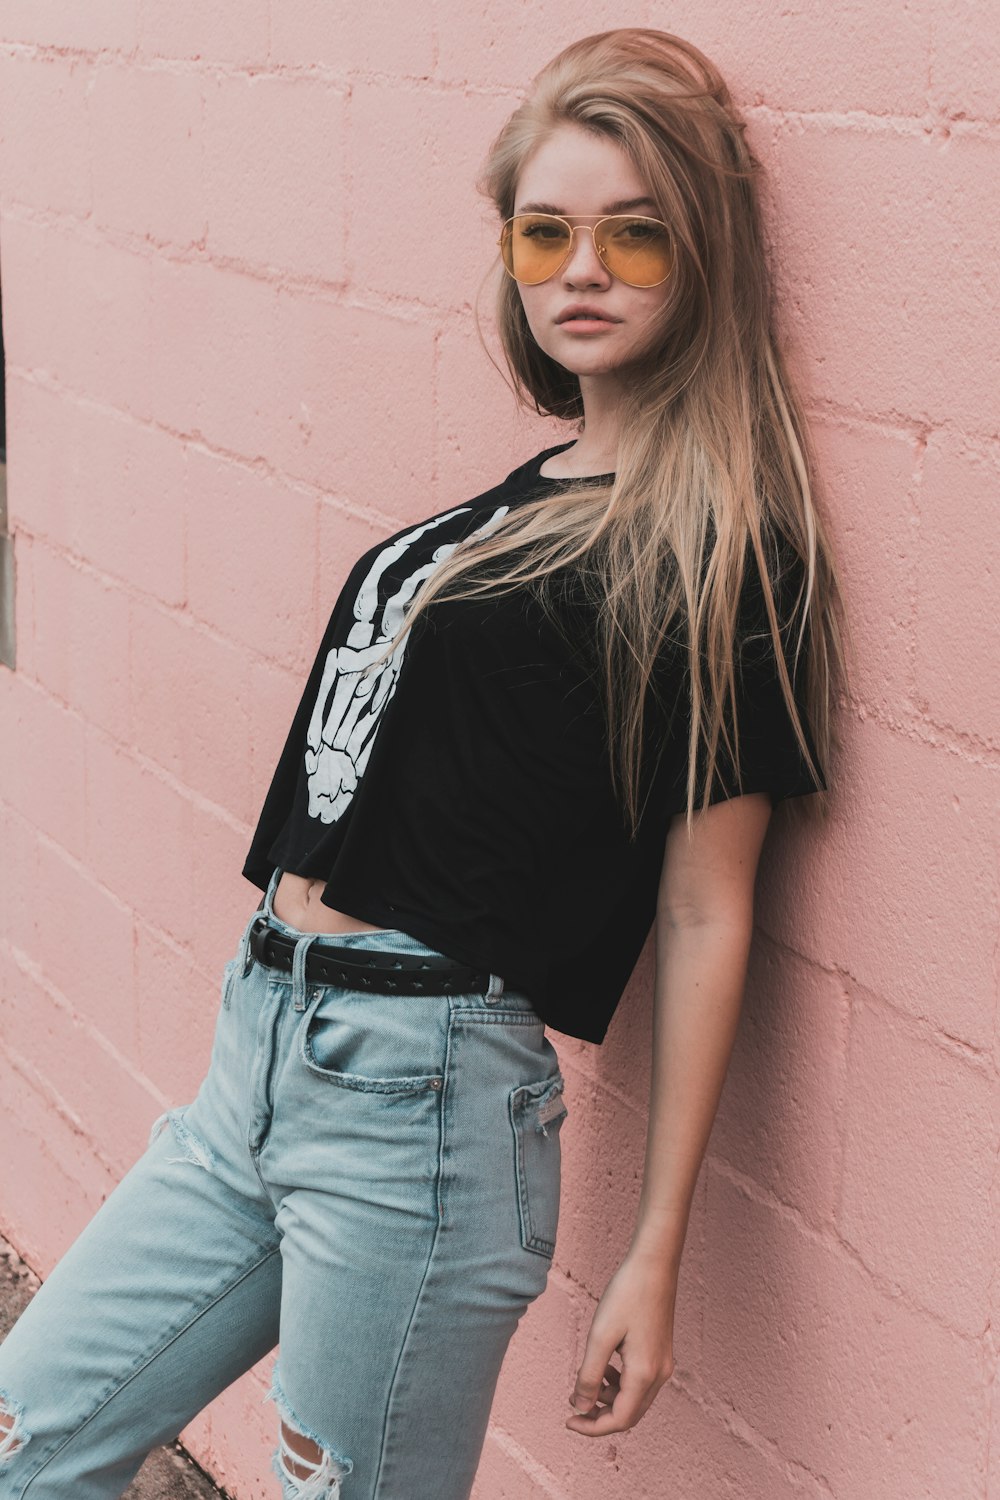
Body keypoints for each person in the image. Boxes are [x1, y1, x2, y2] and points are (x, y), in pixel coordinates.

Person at [0, 25, 845, 1500]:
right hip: (253, 1062)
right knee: (32, 1437)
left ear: (703, 257)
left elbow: (709, 909)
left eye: (637, 236)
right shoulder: (513, 502)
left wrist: (653, 1252)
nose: (584, 268)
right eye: (549, 230)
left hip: (422, 1103)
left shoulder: (722, 549)